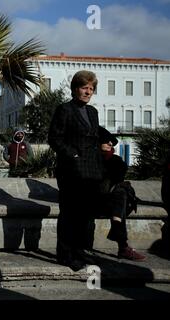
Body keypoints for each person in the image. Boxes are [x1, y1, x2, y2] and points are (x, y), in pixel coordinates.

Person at [48, 70, 103, 271]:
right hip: (70, 170)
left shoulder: (93, 112)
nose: (88, 92)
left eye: (91, 88)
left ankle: (80, 250)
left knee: (86, 214)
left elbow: (93, 138)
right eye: (84, 87)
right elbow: (54, 138)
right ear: (75, 89)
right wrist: (73, 155)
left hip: (92, 171)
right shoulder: (64, 109)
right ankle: (65, 254)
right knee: (70, 213)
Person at [93, 126, 146, 261]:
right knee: (121, 194)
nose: (110, 143)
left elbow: (117, 177)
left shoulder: (116, 161)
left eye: (111, 141)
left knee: (120, 193)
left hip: (110, 202)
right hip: (94, 201)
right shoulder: (89, 161)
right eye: (106, 141)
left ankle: (118, 232)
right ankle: (123, 247)